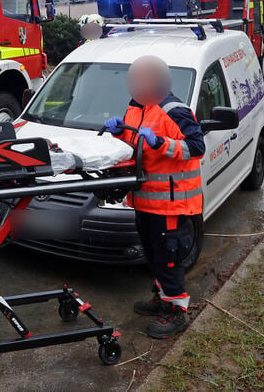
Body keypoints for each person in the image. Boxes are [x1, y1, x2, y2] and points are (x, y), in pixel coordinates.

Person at [104, 55, 205, 339]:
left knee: (168, 258)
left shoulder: (175, 111)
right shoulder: (136, 108)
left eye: (143, 79)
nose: (137, 85)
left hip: (170, 204)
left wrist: (162, 143)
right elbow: (133, 147)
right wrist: (119, 132)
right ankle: (161, 299)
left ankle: (176, 311)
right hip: (144, 201)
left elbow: (196, 148)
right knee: (154, 255)